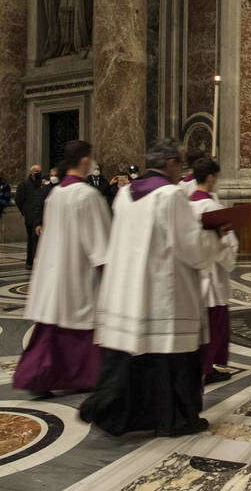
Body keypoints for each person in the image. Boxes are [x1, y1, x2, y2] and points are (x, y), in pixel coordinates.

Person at [80, 139, 221, 437]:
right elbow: (191, 249)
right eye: (179, 162)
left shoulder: (123, 194)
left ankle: (125, 416)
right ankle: (176, 419)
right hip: (165, 292)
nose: (181, 168)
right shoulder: (171, 195)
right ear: (169, 162)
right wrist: (215, 234)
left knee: (141, 359)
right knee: (170, 358)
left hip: (129, 289)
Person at [13, 141, 111, 398]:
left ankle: (43, 377)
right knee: (77, 326)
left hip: (54, 268)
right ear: (83, 161)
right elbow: (99, 242)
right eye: (91, 159)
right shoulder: (87, 195)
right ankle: (79, 376)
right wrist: (108, 269)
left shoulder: (55, 193)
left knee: (54, 328)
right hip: (76, 270)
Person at [188, 157, 239, 383]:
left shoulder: (185, 204)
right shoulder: (213, 207)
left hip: (192, 277)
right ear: (210, 177)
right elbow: (228, 244)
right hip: (212, 276)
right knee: (214, 327)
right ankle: (207, 368)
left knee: (199, 327)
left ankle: (200, 365)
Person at [16, 165, 45, 270]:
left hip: (40, 216)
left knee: (40, 240)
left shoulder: (42, 184)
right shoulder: (24, 185)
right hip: (30, 216)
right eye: (36, 171)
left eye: (39, 171)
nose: (38, 173)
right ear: (31, 172)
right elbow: (19, 200)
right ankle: (30, 262)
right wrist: (25, 212)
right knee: (32, 240)